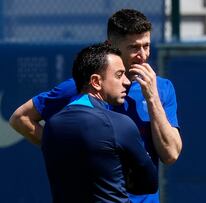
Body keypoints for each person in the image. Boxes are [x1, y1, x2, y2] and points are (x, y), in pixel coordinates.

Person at [9, 8, 182, 203]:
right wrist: (67, 151)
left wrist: (152, 98)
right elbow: (21, 118)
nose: (143, 55)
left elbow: (171, 154)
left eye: (147, 46)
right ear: (111, 46)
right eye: (134, 47)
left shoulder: (162, 89)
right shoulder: (81, 87)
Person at [42, 43, 158, 203]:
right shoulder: (119, 124)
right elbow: (149, 184)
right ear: (96, 81)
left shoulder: (51, 125)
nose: (127, 82)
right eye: (119, 75)